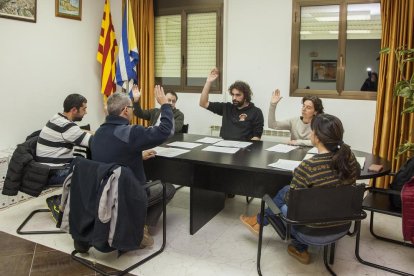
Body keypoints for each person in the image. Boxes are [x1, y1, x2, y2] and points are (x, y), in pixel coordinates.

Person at [240, 113, 360, 264]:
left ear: (317, 137)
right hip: (342, 224)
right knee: (288, 190)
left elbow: (293, 201)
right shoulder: (349, 156)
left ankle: (297, 246)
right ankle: (258, 222)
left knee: (285, 194)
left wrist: (299, 174)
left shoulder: (309, 166)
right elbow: (354, 175)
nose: (310, 133)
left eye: (312, 130)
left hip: (311, 230)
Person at [91, 87, 176, 248]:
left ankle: (134, 223)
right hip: (125, 194)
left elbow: (113, 154)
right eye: (131, 108)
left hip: (103, 192)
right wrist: (165, 105)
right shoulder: (130, 132)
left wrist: (137, 154)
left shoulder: (98, 133)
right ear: (125, 110)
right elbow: (167, 131)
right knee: (169, 188)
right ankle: (139, 228)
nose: (131, 111)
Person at [36, 94, 92, 221]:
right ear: (74, 110)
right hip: (53, 173)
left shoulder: (57, 118)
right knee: (92, 171)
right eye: (84, 109)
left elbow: (81, 133)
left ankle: (72, 202)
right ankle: (58, 201)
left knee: (85, 162)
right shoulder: (68, 127)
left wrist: (91, 133)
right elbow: (94, 142)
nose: (86, 112)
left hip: (45, 169)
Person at [199, 67, 264, 141]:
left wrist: (247, 149)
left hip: (244, 150)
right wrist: (208, 82)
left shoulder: (256, 112)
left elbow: (257, 137)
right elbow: (203, 103)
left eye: (238, 95)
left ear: (246, 96)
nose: (234, 98)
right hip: (223, 147)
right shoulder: (227, 107)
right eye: (233, 95)